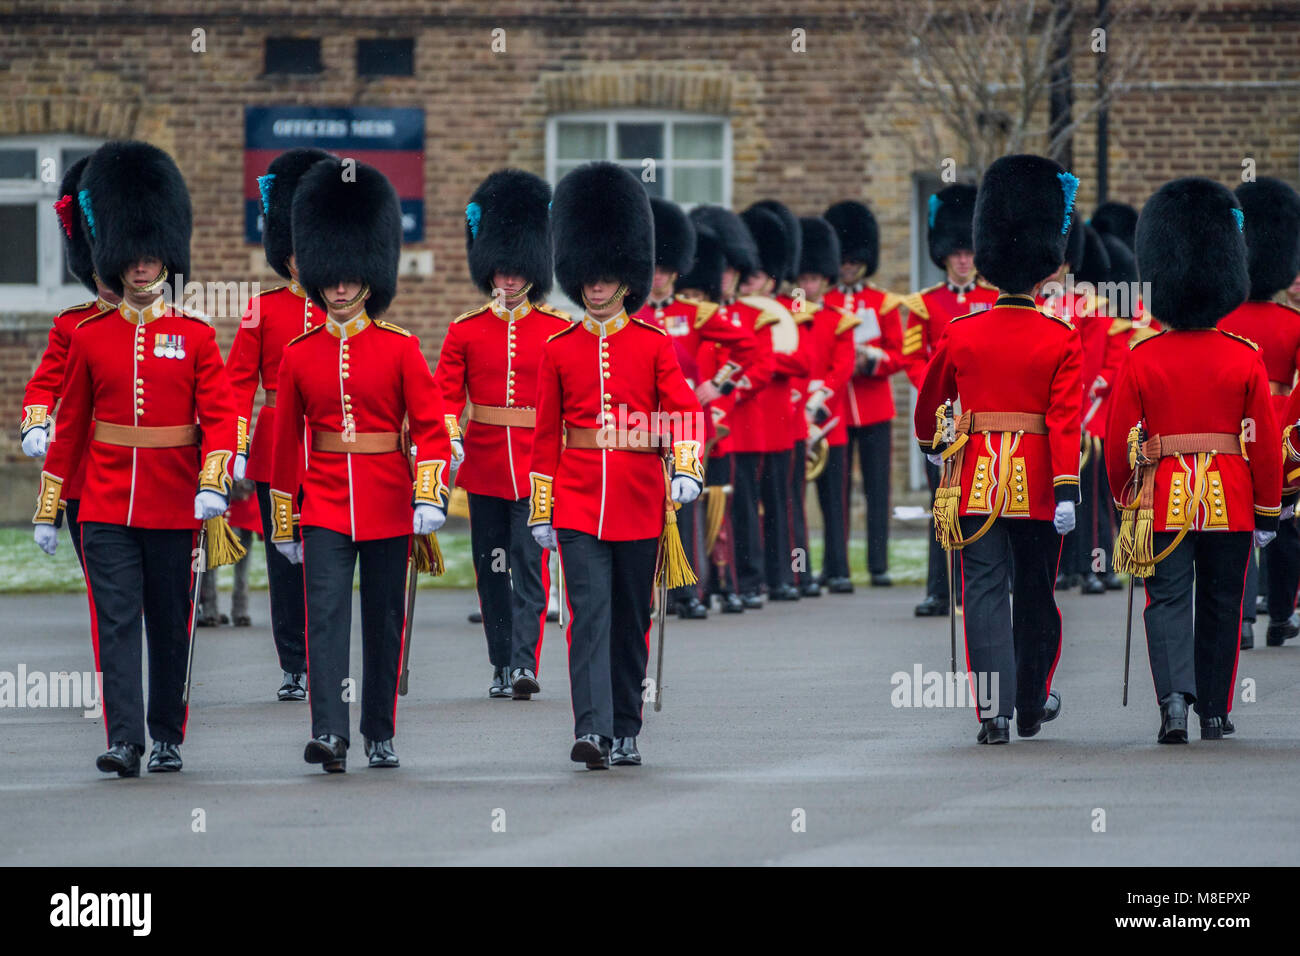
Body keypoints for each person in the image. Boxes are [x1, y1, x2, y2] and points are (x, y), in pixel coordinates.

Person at [32, 140, 239, 776]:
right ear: (115, 257)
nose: (143, 268)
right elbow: (70, 425)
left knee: (170, 625)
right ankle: (124, 739)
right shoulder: (89, 336)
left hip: (177, 502)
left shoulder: (197, 334)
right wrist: (48, 505)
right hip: (103, 503)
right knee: (115, 625)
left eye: (153, 257)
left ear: (165, 258)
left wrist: (213, 481)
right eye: (133, 257)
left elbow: (223, 417)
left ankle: (167, 734)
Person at [269, 157, 452, 773]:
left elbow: (430, 429)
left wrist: (428, 493)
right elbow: (287, 442)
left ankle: (378, 730)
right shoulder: (297, 355)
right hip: (322, 503)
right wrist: (285, 517)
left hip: (387, 500)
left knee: (382, 621)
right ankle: (329, 732)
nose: (341, 289)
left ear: (370, 278)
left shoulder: (400, 348)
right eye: (332, 279)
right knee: (324, 619)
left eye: (351, 278)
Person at [528, 161, 704, 769]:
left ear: (624, 278)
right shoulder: (558, 349)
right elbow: (546, 435)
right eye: (589, 278)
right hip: (577, 503)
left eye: (607, 277)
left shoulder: (654, 344)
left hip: (638, 499)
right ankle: (593, 730)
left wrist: (684, 466)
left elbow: (682, 411)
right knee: (587, 620)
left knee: (631, 619)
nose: (597, 287)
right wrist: (542, 509)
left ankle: (627, 724)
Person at [914, 154, 1083, 745]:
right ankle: (1032, 700)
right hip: (1038, 481)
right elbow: (1064, 421)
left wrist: (935, 448)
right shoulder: (1061, 336)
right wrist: (1067, 486)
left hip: (976, 479)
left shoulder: (962, 330)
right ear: (1044, 270)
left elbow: (931, 399)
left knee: (982, 593)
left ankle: (995, 712)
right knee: (1036, 593)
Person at [1106, 176, 1281, 742]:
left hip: (1162, 495)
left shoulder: (1142, 356)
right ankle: (1213, 709)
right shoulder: (1245, 357)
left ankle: (1174, 704)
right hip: (1230, 495)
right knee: (1224, 601)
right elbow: (1262, 438)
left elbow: (1117, 438)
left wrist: (1124, 496)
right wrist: (1269, 508)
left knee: (1167, 600)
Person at [434, 169, 570, 699]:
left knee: (530, 567)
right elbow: (445, 394)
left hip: (537, 466)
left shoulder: (557, 329)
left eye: (518, 272)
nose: (509, 280)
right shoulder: (465, 329)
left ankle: (523, 665)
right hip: (486, 466)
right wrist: (451, 437)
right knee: (492, 572)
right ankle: (498, 661)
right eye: (501, 271)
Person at [225, 147, 330, 699]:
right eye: (288, 251)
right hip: (275, 447)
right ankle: (294, 662)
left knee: (329, 562)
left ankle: (325, 655)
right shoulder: (260, 308)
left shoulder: (347, 310)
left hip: (337, 448)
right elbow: (237, 384)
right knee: (283, 557)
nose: (297, 260)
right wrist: (235, 448)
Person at [633, 197, 763, 619]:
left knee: (684, 503)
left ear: (675, 272)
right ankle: (648, 590)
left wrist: (716, 383)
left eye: (664, 271)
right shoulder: (630, 314)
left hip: (686, 417)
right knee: (643, 503)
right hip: (643, 418)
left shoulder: (695, 312)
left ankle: (688, 590)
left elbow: (747, 346)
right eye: (653, 270)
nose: (658, 278)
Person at [19, 153, 120, 570]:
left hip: (156, 473)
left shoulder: (178, 328)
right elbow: (44, 384)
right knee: (108, 593)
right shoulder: (72, 326)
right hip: (87, 475)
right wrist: (36, 420)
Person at [904, 184, 999, 618]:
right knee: (941, 501)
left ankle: (976, 586)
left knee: (980, 499)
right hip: (943, 419)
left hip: (979, 415)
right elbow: (912, 359)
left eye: (968, 251)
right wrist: (940, 402)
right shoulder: (925, 304)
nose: (963, 258)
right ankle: (940, 589)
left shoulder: (994, 300)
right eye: (956, 252)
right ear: (943, 254)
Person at [679, 205, 775, 613]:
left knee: (729, 506)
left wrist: (720, 390)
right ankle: (687, 586)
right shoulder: (679, 314)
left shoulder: (724, 315)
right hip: (676, 425)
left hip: (721, 422)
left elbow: (758, 361)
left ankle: (735, 581)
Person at [1218, 177, 1300, 649]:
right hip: (1283, 429)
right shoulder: (1293, 324)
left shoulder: (1224, 321)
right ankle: (1281, 614)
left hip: (1232, 427)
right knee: (1284, 523)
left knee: (1239, 526)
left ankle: (1243, 619)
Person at [822, 200, 906, 589]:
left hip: (874, 408)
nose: (849, 265)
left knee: (877, 490)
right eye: (844, 259)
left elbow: (898, 354)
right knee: (834, 490)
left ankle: (878, 564)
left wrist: (870, 359)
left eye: (855, 259)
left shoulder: (883, 303)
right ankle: (834, 564)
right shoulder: (826, 303)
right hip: (837, 410)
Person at [798, 216, 859, 594]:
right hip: (793, 420)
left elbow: (844, 367)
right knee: (795, 502)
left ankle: (838, 569)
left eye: (814, 279)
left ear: (825, 280)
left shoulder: (839, 320)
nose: (809, 285)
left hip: (827, 422)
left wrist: (818, 401)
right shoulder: (786, 317)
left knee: (833, 501)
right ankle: (799, 570)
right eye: (804, 279)